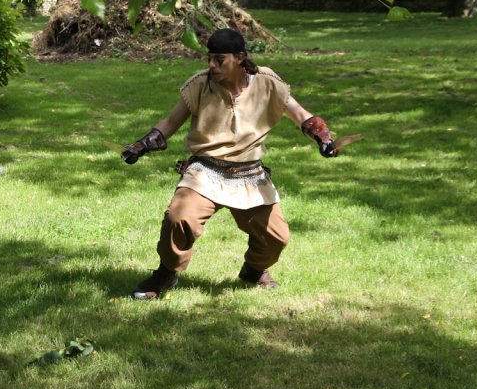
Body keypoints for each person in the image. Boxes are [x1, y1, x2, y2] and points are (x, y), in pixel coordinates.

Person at [121, 27, 341, 300]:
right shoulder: (200, 85)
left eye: (219, 59)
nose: (211, 65)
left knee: (277, 237)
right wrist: (142, 145)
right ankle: (166, 273)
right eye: (209, 59)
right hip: (205, 171)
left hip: (249, 174)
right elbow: (170, 121)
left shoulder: (266, 82)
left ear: (239, 57)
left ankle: (253, 270)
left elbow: (299, 114)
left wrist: (323, 137)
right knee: (179, 219)